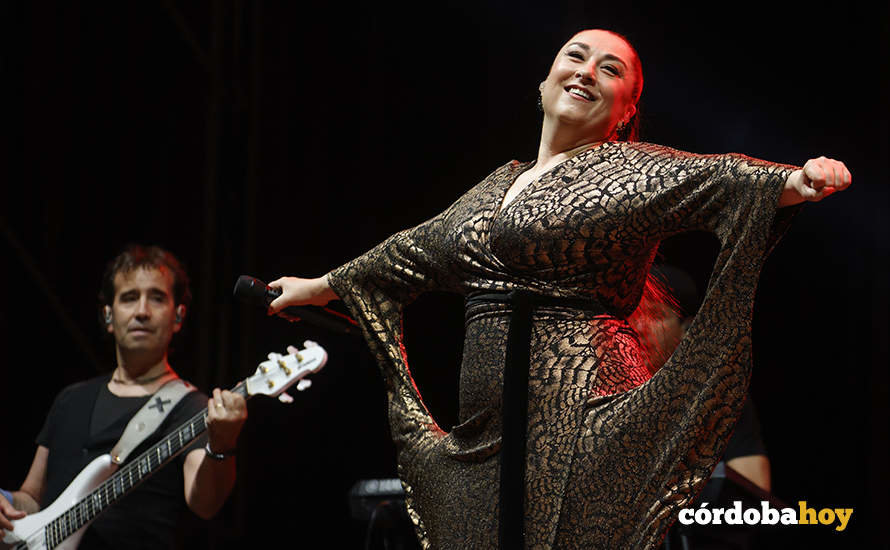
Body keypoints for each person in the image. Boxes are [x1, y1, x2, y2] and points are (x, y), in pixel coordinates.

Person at [267, 29, 850, 549]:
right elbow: (414, 250)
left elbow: (719, 176)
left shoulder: (632, 170)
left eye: (610, 68)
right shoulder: (496, 184)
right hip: (488, 433)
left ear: (626, 111)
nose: (586, 70)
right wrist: (320, 287)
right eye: (575, 56)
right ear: (544, 83)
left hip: (583, 415)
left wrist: (796, 180)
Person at [0, 245, 248, 549]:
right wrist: (6, 501)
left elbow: (205, 504)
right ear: (108, 315)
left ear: (178, 316)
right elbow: (32, 498)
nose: (142, 311)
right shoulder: (71, 399)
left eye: (157, 298)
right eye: (129, 298)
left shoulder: (192, 407)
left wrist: (222, 444)